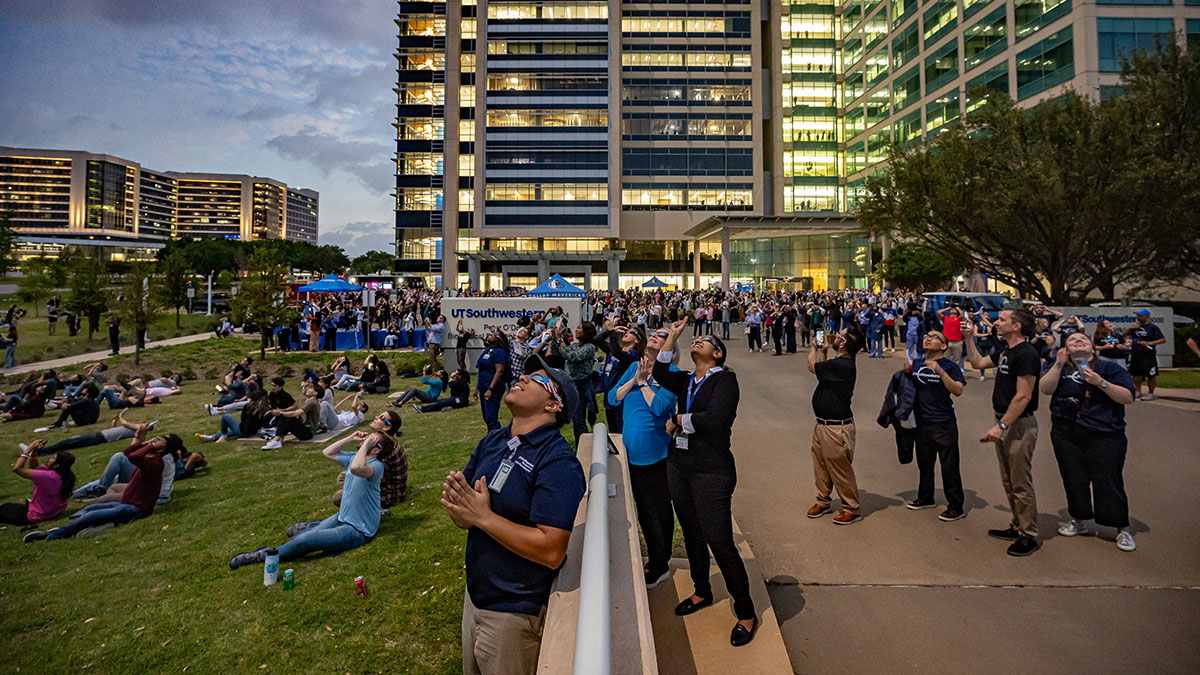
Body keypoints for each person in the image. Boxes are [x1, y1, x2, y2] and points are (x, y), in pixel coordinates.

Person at [443, 356, 586, 674]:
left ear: (553, 406)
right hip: (475, 597)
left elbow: (551, 550)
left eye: (538, 380)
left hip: (513, 613)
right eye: (526, 374)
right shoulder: (493, 440)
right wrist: (462, 511)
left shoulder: (559, 462)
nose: (522, 378)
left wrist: (483, 518)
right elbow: (464, 504)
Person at [654, 320, 757, 647]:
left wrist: (678, 420)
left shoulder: (726, 380)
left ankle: (745, 611)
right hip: (680, 465)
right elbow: (660, 373)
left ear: (718, 352)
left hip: (711, 471)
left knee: (720, 541)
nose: (697, 341)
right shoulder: (686, 379)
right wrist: (672, 335)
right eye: (695, 339)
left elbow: (716, 419)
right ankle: (702, 591)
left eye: (705, 340)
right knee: (692, 532)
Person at [229, 411, 404, 570]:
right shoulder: (356, 457)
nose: (365, 440)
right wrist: (350, 438)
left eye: (370, 440)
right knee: (307, 535)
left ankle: (264, 554)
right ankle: (309, 529)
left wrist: (366, 446)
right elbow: (327, 452)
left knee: (306, 541)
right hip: (343, 517)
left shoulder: (376, 466)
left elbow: (358, 468)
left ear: (375, 449)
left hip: (358, 530)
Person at [1040, 333, 1138, 552]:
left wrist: (1101, 383)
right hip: (1066, 432)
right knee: (1074, 478)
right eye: (1072, 340)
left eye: (1083, 340)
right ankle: (1080, 519)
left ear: (1093, 348)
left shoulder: (1110, 369)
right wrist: (1057, 364)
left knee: (1107, 479)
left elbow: (1128, 397)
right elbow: (1045, 389)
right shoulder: (1062, 368)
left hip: (1104, 433)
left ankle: (1121, 528)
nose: (1078, 341)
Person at [963, 307, 1042, 557]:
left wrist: (1002, 426)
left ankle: (1028, 535)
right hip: (1006, 422)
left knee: (1020, 482)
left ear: (1017, 326)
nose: (996, 323)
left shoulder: (1027, 354)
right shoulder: (1006, 351)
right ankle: (1017, 525)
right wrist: (969, 338)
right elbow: (977, 363)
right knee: (1008, 480)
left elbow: (1024, 396)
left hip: (1018, 425)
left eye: (1002, 319)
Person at [25, 427, 181, 542]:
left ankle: (55, 535)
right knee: (89, 509)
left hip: (138, 509)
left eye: (157, 440)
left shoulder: (155, 463)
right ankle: (94, 525)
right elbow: (127, 453)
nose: (153, 440)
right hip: (130, 501)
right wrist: (142, 439)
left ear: (162, 448)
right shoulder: (151, 458)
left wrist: (148, 445)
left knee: (91, 515)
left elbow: (133, 456)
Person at [609, 331, 677, 589]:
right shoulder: (634, 368)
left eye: (663, 336)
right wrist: (633, 381)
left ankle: (661, 565)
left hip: (656, 457)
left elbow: (660, 408)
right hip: (631, 456)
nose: (656, 337)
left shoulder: (670, 374)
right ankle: (655, 559)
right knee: (643, 513)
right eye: (655, 334)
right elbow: (612, 398)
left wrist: (645, 383)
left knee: (657, 513)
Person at [904, 331, 967, 521]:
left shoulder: (949, 366)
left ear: (944, 346)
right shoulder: (917, 363)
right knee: (924, 463)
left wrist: (940, 371)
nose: (928, 338)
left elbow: (958, 390)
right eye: (926, 336)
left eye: (934, 337)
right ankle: (926, 496)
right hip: (922, 423)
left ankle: (956, 506)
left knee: (949, 466)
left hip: (943, 423)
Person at [806, 324, 865, 525]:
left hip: (836, 427)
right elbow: (823, 375)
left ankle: (851, 507)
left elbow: (812, 367)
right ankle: (822, 501)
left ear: (843, 343)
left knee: (840, 469)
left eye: (839, 335)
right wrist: (823, 352)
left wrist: (813, 348)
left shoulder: (844, 364)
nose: (834, 336)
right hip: (823, 424)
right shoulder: (838, 362)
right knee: (821, 466)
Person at [2, 440, 74, 526]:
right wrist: (34, 451)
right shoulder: (65, 474)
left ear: (56, 465)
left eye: (53, 458)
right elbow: (35, 467)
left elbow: (17, 469)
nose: (50, 458)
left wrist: (28, 450)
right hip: (53, 511)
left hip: (37, 515)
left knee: (4, 508)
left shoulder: (49, 476)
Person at [261, 382, 323, 450]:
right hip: (306, 429)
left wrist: (281, 413)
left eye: (311, 389)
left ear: (315, 393)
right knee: (287, 417)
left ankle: (277, 440)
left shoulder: (312, 403)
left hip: (308, 433)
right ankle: (278, 439)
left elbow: (296, 413)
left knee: (287, 417)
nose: (308, 389)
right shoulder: (310, 401)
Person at [1124, 309, 1166, 400]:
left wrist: (1150, 343)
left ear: (1146, 316)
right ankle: (1138, 391)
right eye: (1137, 315)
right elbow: (1122, 335)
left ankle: (1151, 392)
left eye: (1140, 316)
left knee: (1151, 375)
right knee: (1136, 374)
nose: (1138, 317)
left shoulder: (1153, 327)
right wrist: (1131, 328)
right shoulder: (1135, 328)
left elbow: (1162, 340)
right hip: (1136, 354)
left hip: (1148, 355)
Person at [476, 331, 510, 432]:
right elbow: (481, 369)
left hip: (493, 387)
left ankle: (496, 439)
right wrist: (477, 388)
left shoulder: (499, 352)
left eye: (494, 335)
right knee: (486, 417)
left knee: (491, 417)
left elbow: (499, 371)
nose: (491, 335)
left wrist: (490, 388)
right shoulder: (487, 350)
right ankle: (492, 437)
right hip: (483, 385)